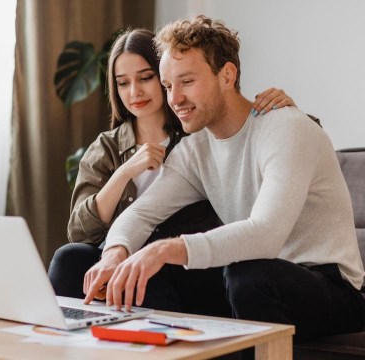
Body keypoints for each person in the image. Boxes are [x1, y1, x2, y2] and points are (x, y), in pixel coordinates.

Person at [82, 15, 365, 340]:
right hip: (249, 278)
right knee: (145, 273)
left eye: (187, 81)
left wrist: (165, 249)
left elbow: (266, 233)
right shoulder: (196, 149)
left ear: (227, 75)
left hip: (329, 289)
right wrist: (115, 254)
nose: (174, 99)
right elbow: (141, 212)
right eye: (168, 86)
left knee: (247, 274)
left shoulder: (287, 128)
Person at [48, 27, 304, 317]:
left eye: (146, 78)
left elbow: (271, 141)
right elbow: (82, 231)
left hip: (190, 261)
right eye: (123, 83)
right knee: (69, 258)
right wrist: (124, 175)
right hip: (127, 249)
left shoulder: (197, 134)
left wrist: (287, 112)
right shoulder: (108, 147)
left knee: (151, 272)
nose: (135, 92)